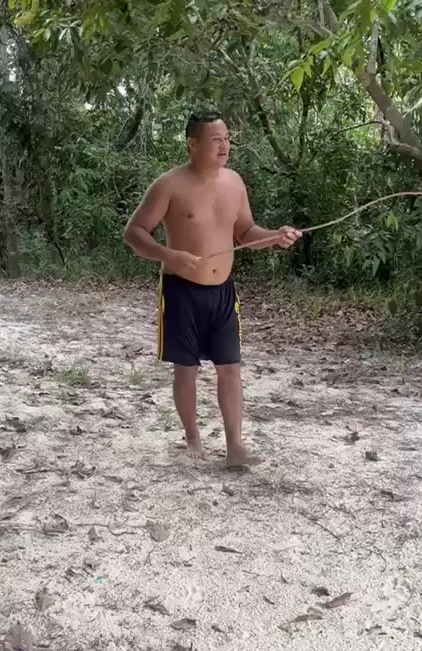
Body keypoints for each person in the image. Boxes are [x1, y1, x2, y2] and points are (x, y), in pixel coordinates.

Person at [123, 112, 301, 467]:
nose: (225, 146)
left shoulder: (234, 183)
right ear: (193, 144)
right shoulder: (169, 184)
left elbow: (246, 233)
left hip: (223, 292)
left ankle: (235, 447)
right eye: (216, 140)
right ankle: (192, 436)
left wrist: (275, 237)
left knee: (230, 367)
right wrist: (168, 255)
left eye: (227, 139)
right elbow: (134, 233)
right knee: (186, 369)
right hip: (180, 290)